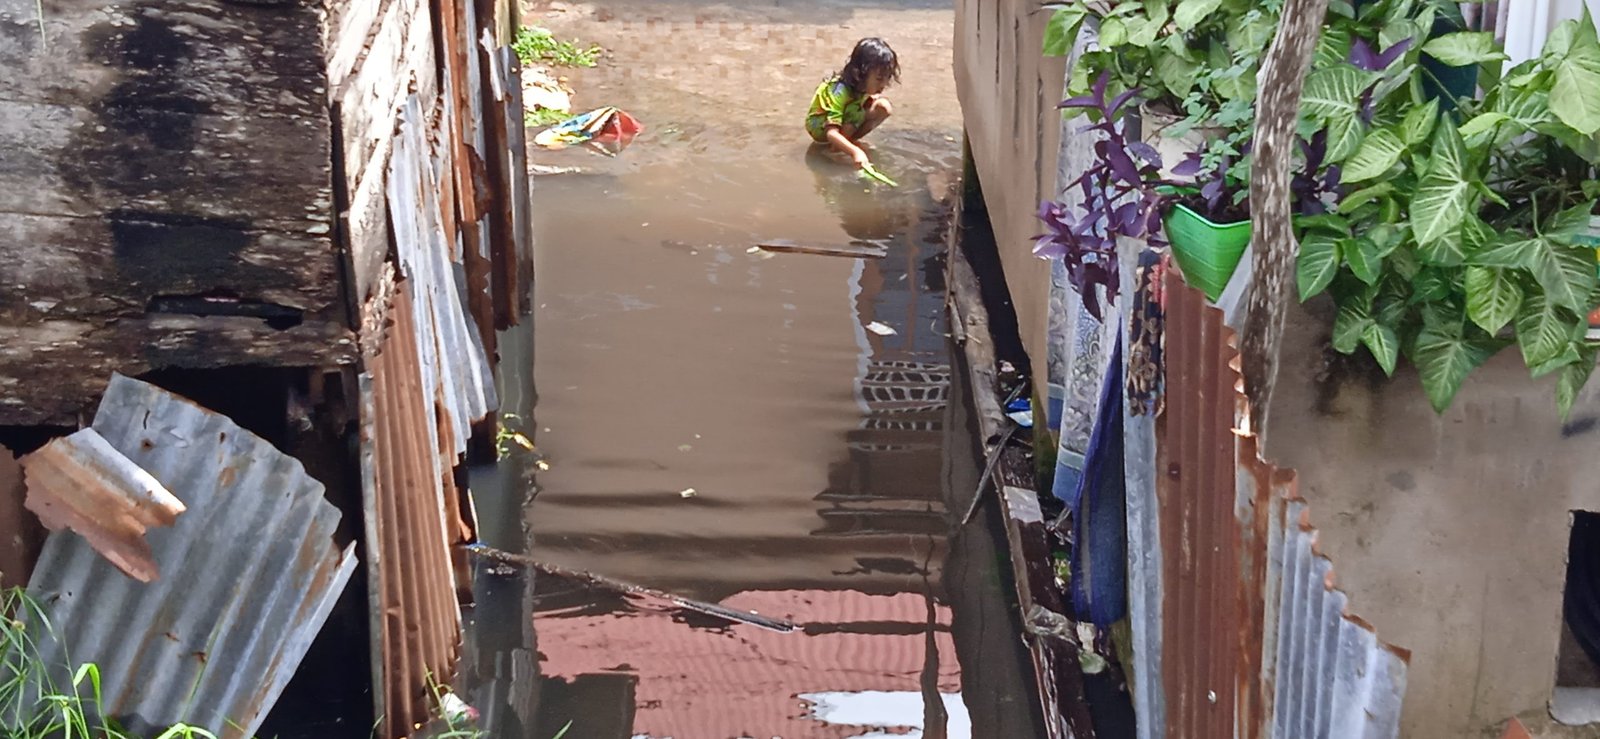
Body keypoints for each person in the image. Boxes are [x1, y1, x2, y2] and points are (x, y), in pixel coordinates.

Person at [805, 38, 900, 169]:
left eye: (887, 77)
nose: (883, 84)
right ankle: (835, 151)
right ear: (859, 74)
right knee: (854, 113)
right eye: (879, 79)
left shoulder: (862, 86)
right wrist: (856, 152)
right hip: (821, 126)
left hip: (846, 115)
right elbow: (831, 133)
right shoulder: (839, 91)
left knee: (883, 107)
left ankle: (847, 142)